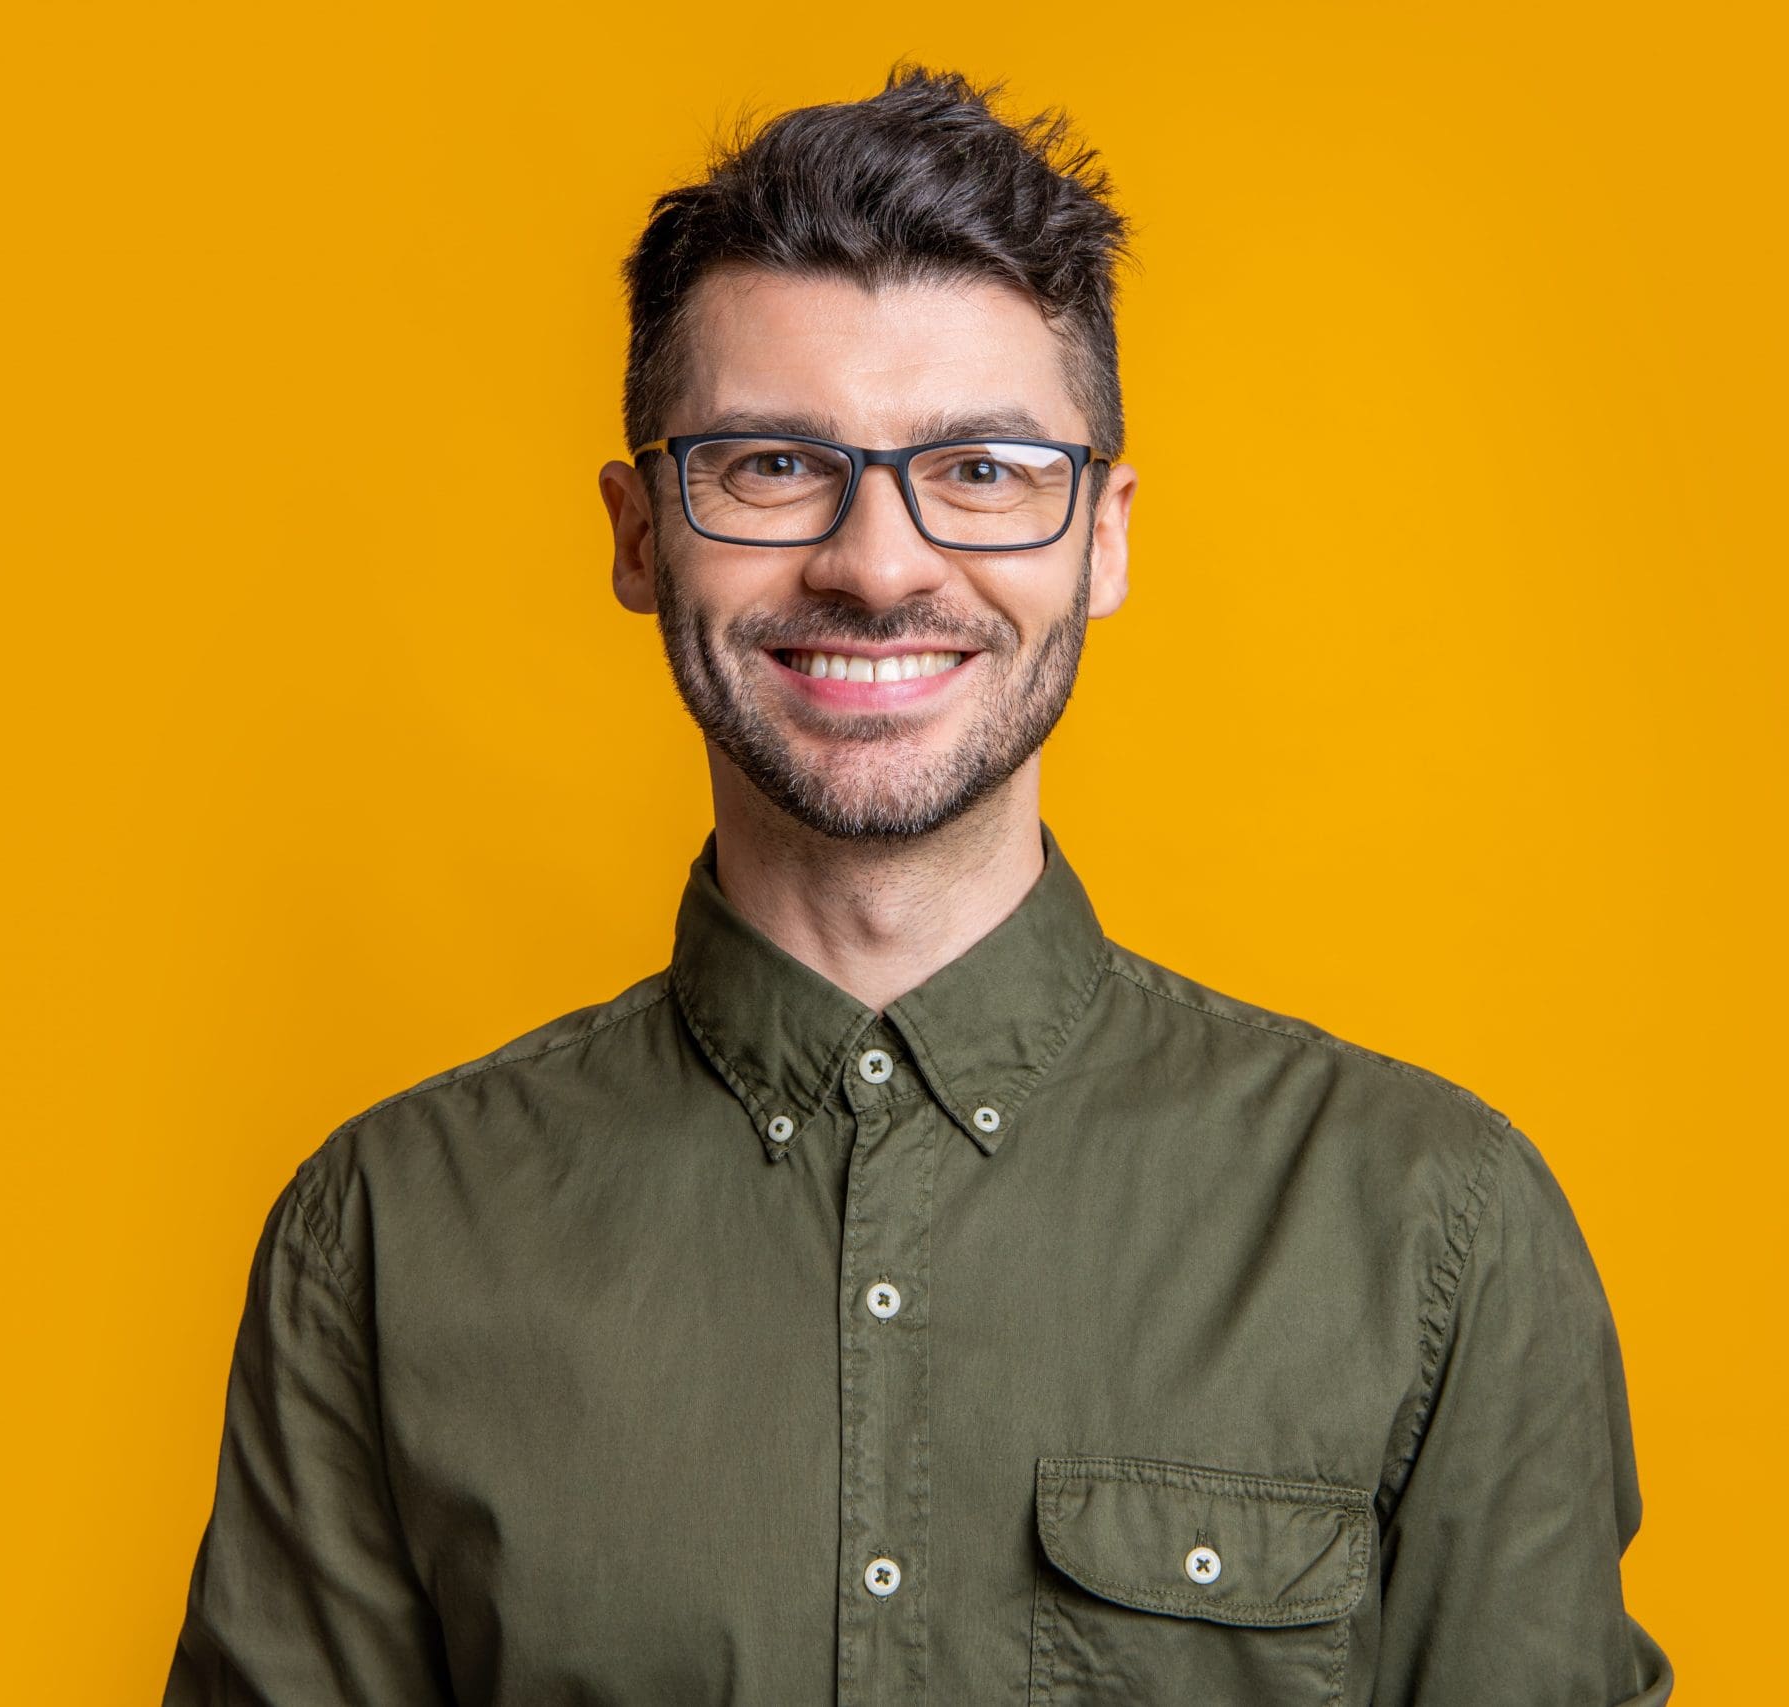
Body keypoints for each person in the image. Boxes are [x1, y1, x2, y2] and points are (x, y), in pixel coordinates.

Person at [164, 63, 1673, 1706]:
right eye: (767, 466)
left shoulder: (1435, 1231)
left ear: (1101, 537)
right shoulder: (385, 1241)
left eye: (984, 472)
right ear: (635, 534)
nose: (878, 566)